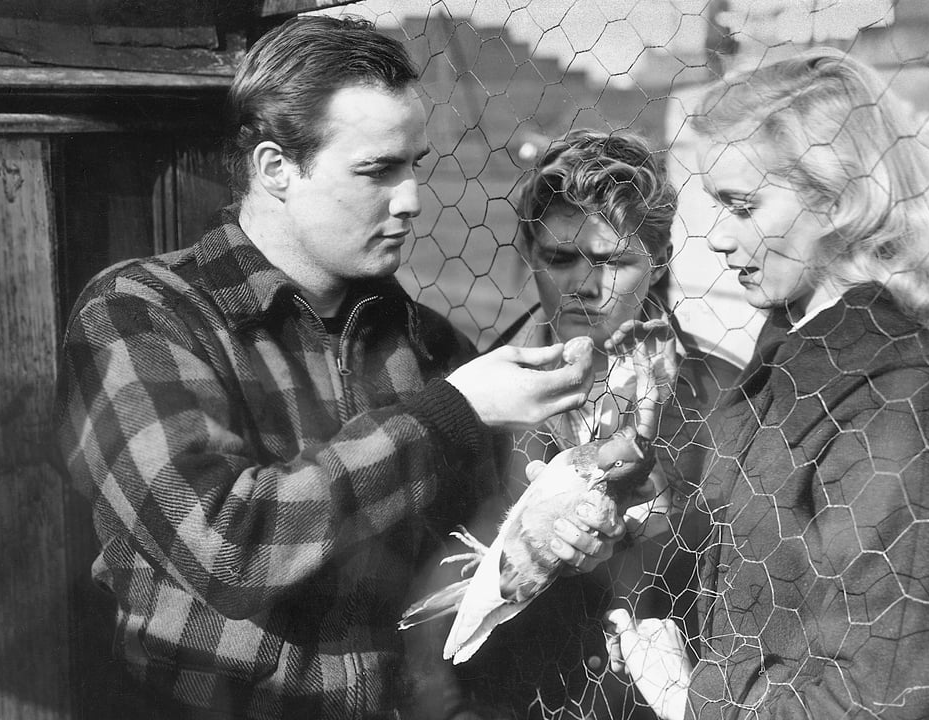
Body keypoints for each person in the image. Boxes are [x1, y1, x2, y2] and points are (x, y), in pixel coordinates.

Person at [54, 16, 626, 720]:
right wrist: (451, 412)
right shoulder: (141, 312)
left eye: (414, 165)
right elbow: (225, 548)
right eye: (377, 170)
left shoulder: (427, 342)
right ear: (275, 168)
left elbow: (469, 563)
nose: (411, 199)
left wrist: (559, 523)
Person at [605, 48, 929, 720]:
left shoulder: (903, 404)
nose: (717, 239)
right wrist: (662, 514)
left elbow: (881, 701)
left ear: (837, 201)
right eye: (716, 206)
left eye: (743, 207)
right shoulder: (796, 359)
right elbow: (774, 593)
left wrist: (687, 701)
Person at [408, 131, 740, 720]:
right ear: (528, 252)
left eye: (612, 261)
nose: (583, 285)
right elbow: (419, 602)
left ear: (661, 257)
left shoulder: (730, 400)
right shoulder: (465, 395)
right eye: (560, 259)